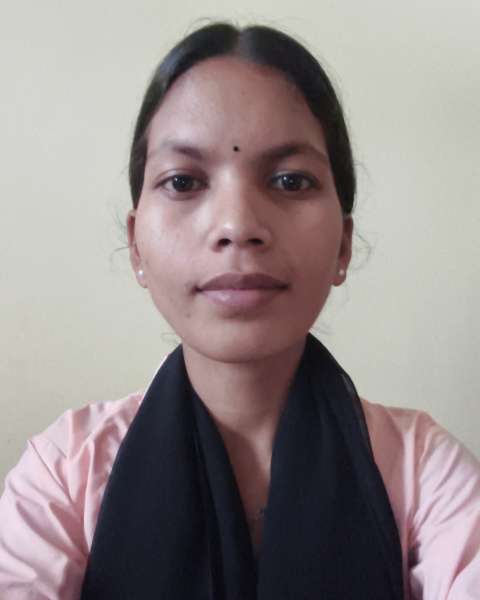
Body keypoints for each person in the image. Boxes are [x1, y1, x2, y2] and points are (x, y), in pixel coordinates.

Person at [0, 21, 479, 600]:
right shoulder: (63, 475)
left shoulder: (425, 473)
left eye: (290, 180)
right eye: (183, 181)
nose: (237, 224)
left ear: (344, 246)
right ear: (136, 246)